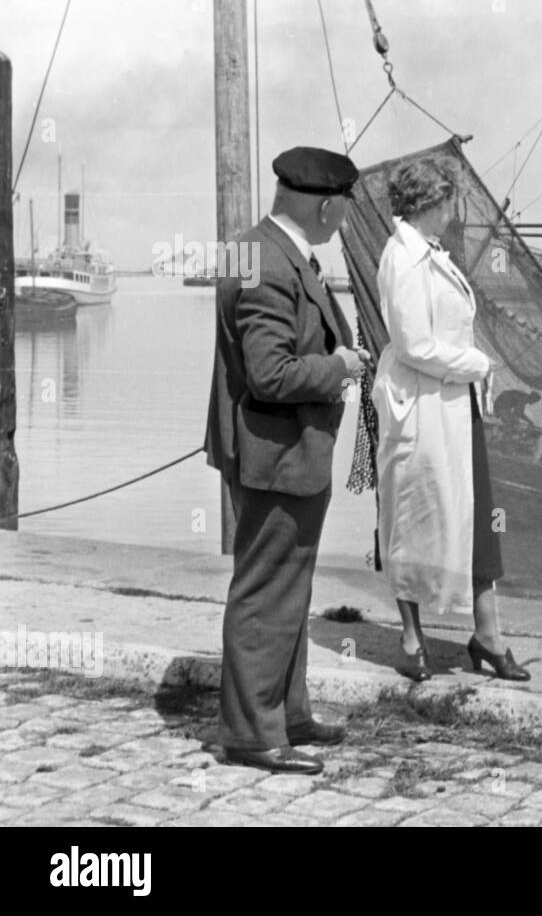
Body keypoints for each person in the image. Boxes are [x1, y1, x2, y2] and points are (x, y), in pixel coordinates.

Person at [204, 146, 367, 774]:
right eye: (344, 210)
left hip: (283, 451)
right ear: (326, 205)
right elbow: (271, 374)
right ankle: (250, 733)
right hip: (275, 452)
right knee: (265, 591)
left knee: (288, 589)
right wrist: (342, 367)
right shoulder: (270, 264)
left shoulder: (271, 250)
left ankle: (287, 714)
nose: (344, 221)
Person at [371, 155, 530, 683]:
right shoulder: (402, 258)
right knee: (413, 519)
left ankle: (488, 635)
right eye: (448, 202)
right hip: (420, 407)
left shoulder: (433, 253)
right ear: (429, 203)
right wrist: (479, 363)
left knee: (477, 518)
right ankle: (412, 636)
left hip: (455, 406)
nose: (452, 212)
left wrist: (468, 373)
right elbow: (413, 344)